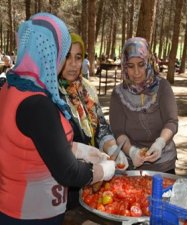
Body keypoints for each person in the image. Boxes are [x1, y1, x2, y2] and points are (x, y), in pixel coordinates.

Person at [0, 13, 115, 225]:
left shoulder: (11, 87)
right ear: (52, 53)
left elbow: (37, 145)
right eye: (63, 52)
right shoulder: (36, 103)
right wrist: (103, 171)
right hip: (31, 215)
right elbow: (68, 173)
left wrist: (80, 150)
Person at [58, 33, 129, 209]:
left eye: (78, 57)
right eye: (67, 57)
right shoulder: (52, 93)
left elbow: (101, 127)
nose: (74, 64)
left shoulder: (87, 89)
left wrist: (112, 147)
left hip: (94, 179)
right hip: (64, 184)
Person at [109, 37, 178, 174]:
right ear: (124, 66)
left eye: (141, 64)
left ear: (148, 62)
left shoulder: (162, 87)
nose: (136, 72)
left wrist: (160, 143)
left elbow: (171, 122)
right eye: (130, 66)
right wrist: (132, 151)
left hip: (163, 163)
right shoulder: (118, 94)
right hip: (132, 164)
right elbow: (119, 132)